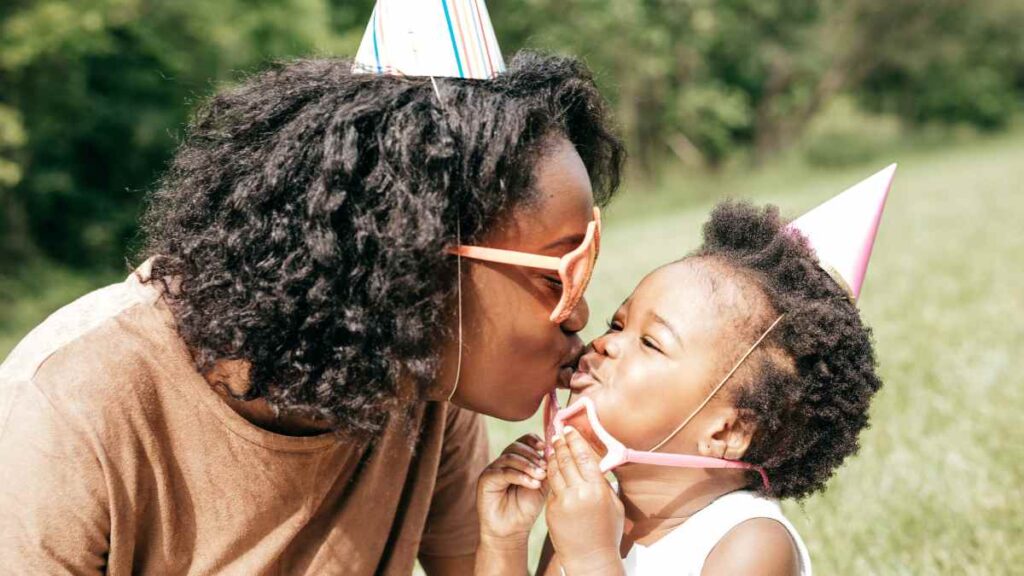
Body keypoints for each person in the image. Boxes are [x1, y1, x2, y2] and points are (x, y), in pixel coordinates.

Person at [0, 38, 624, 576]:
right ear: (413, 260)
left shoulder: (429, 386)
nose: (578, 315)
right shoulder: (72, 411)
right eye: (559, 273)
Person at [475, 178, 894, 575]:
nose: (604, 343)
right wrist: (504, 540)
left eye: (652, 343)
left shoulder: (748, 545)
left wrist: (592, 560)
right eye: (617, 325)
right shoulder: (588, 511)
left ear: (727, 431)